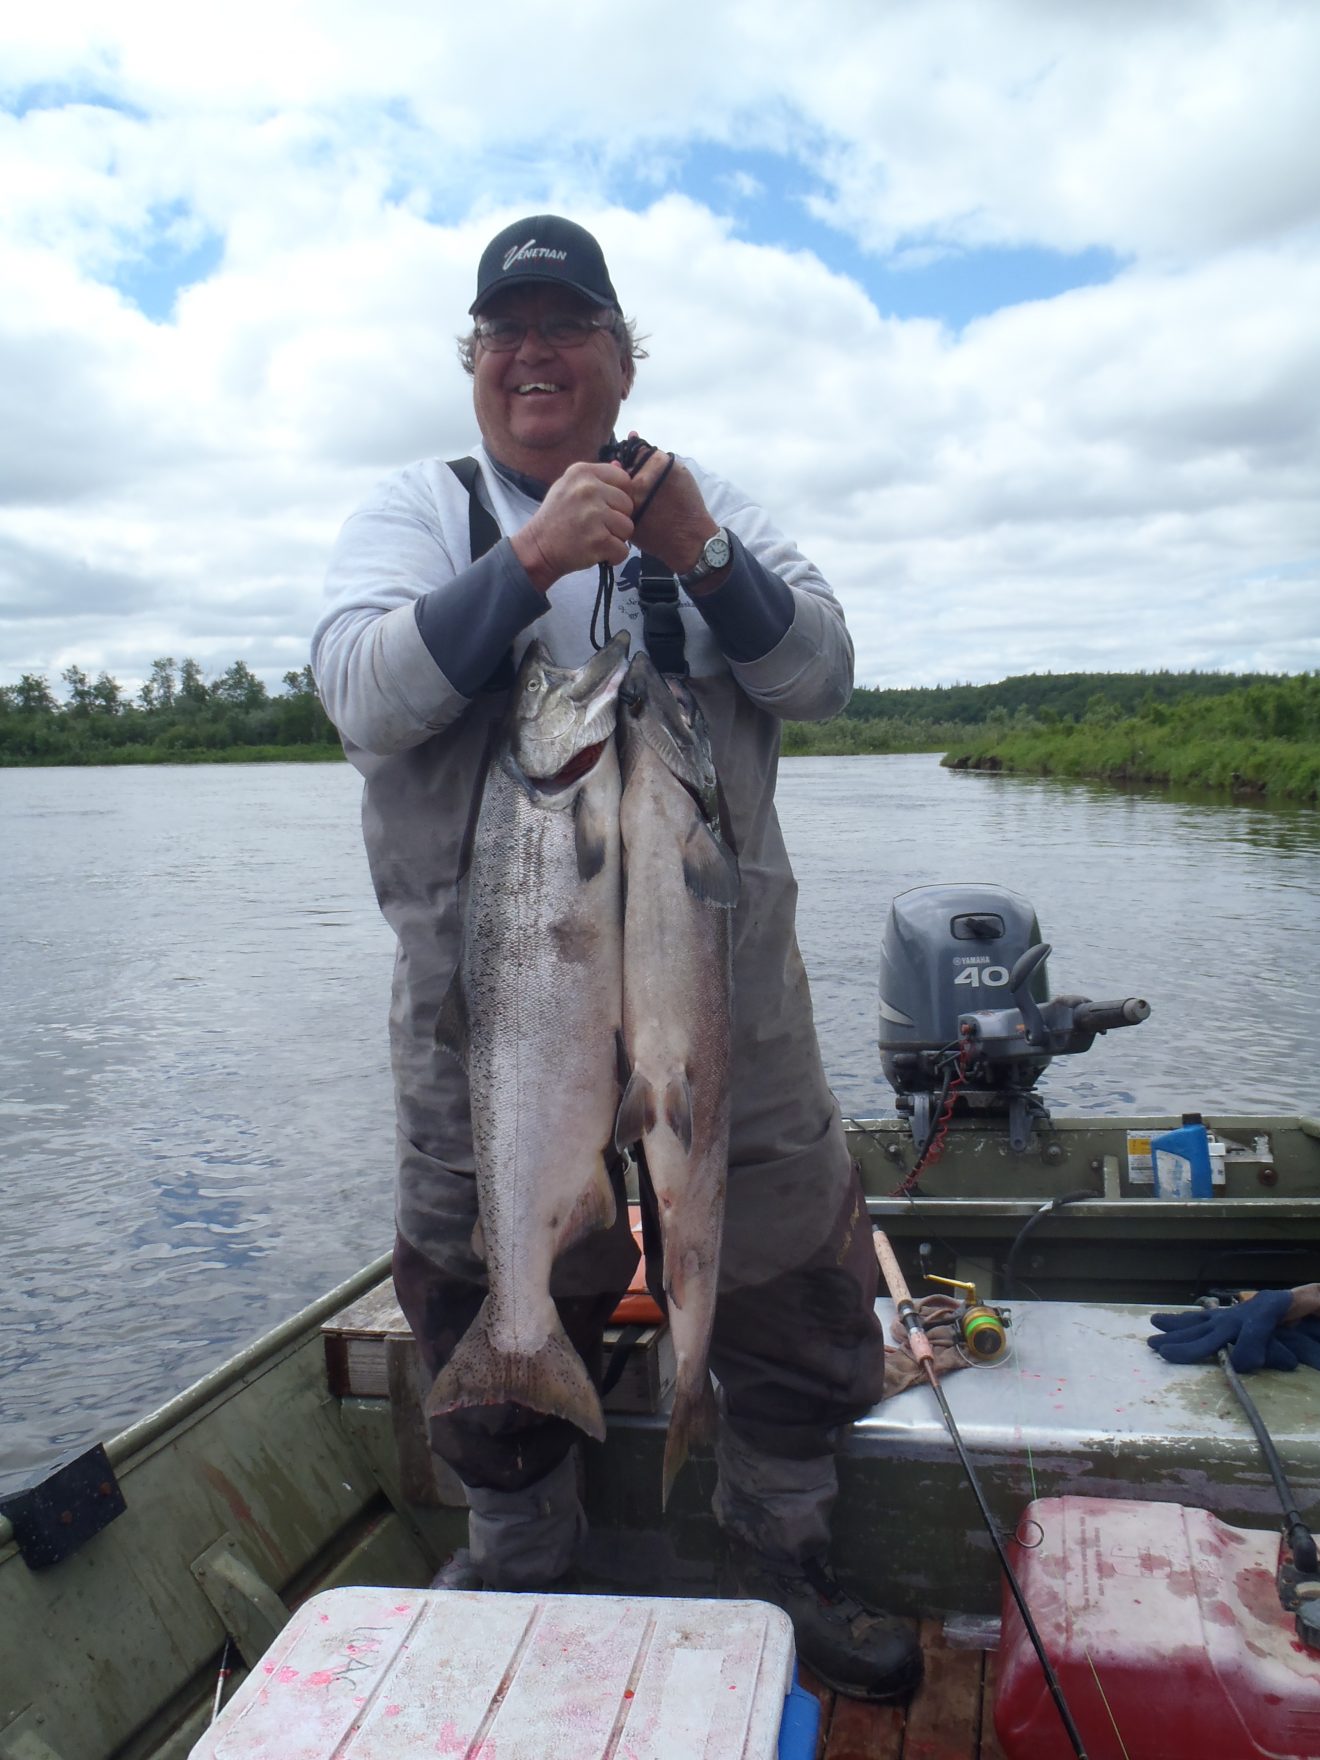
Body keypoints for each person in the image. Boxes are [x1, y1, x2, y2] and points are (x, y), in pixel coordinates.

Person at [311, 215, 921, 1702]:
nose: (534, 352)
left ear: (620, 356)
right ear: (474, 363)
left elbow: (824, 674)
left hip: (728, 1004)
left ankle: (781, 1548)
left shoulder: (704, 507)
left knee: (788, 1278)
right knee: (486, 1272)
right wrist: (527, 563)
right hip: (496, 1007)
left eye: (566, 325)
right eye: (504, 330)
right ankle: (522, 1561)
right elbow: (361, 693)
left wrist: (696, 551)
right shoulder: (421, 513)